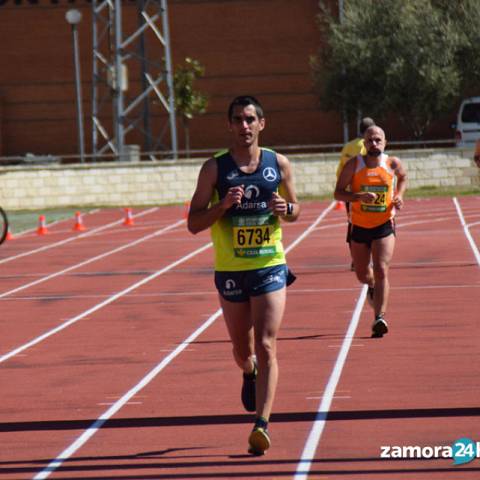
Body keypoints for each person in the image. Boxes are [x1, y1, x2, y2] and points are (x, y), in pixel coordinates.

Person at [187, 95, 300, 455]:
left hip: (269, 265)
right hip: (232, 270)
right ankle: (247, 371)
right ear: (230, 125)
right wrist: (222, 206)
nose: (245, 126)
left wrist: (287, 208)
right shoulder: (214, 169)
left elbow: (295, 210)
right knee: (242, 349)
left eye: (250, 119)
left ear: (261, 124)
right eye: (238, 119)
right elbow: (193, 223)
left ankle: (262, 424)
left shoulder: (278, 164)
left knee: (268, 344)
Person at [334, 125, 407, 338]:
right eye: (370, 140)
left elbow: (402, 177)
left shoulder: (392, 163)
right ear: (364, 143)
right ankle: (371, 285)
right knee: (362, 274)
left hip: (384, 224)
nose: (374, 144)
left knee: (382, 268)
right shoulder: (353, 165)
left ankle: (379, 317)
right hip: (358, 226)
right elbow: (338, 193)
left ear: (385, 142)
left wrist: (399, 195)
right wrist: (358, 197)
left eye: (378, 140)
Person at [336, 117, 376, 270]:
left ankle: (355, 259)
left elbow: (340, 168)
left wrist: (343, 188)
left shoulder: (347, 146)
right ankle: (367, 259)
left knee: (352, 224)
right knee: (371, 224)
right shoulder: (367, 146)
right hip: (366, 191)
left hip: (348, 193)